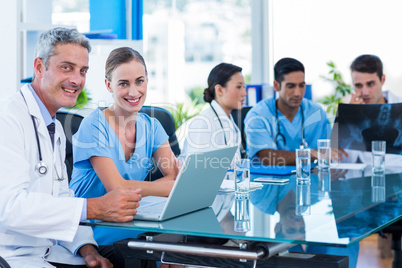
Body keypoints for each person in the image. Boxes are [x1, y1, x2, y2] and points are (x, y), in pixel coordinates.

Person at [0, 28, 142, 267]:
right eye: (66, 67)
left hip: (51, 251)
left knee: (127, 257)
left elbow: (63, 198)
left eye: (83, 71)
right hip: (13, 257)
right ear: (39, 67)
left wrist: (88, 250)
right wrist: (94, 207)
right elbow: (11, 207)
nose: (77, 80)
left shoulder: (52, 125)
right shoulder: (8, 119)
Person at [69, 47, 180, 245]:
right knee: (169, 242)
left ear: (147, 79)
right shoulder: (94, 125)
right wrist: (169, 187)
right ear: (109, 85)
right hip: (89, 228)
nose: (133, 92)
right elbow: (118, 188)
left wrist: (170, 186)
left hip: (129, 219)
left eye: (139, 81)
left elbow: (176, 178)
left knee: (177, 241)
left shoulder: (152, 126)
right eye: (123, 84)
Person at [245, 57, 345, 166]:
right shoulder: (258, 115)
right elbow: (267, 157)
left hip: (310, 179)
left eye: (301, 85)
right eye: (291, 86)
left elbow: (331, 151)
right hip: (269, 180)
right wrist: (313, 153)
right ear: (276, 86)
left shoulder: (317, 112)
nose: (297, 93)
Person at [178, 62, 246, 166]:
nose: (244, 93)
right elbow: (196, 170)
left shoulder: (229, 120)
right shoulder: (203, 123)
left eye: (243, 87)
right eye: (238, 87)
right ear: (219, 90)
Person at [343, 54, 402, 165]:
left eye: (370, 84)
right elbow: (343, 161)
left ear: (382, 79)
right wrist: (350, 117)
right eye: (359, 86)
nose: (365, 92)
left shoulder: (399, 107)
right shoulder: (348, 113)